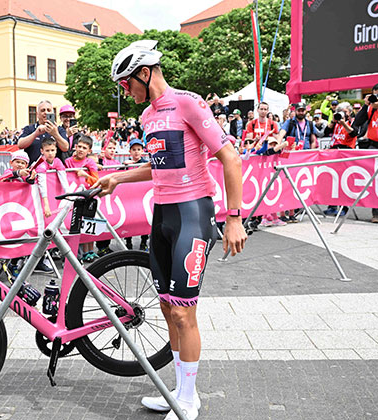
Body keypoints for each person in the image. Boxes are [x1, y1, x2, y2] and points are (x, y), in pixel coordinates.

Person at [100, 39, 247, 420]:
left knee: (184, 313)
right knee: (167, 309)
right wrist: (119, 177)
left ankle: (188, 399)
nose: (124, 90)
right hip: (162, 214)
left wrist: (234, 217)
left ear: (144, 73)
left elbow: (229, 156)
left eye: (125, 82)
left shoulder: (188, 102)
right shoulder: (149, 116)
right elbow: (158, 166)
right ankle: (180, 393)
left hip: (192, 214)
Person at [352, 82, 378, 223]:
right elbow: (356, 123)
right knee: (376, 181)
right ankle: (376, 213)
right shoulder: (370, 108)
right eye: (376, 95)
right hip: (376, 147)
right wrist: (366, 105)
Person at [65, 135, 99, 263]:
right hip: (73, 198)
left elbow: (96, 180)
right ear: (75, 147)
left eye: (84, 148)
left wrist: (85, 174)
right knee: (72, 226)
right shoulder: (68, 161)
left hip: (88, 198)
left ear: (89, 151)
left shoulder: (89, 162)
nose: (80, 150)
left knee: (86, 225)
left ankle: (87, 252)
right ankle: (73, 255)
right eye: (79, 146)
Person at [123, 138, 149, 251]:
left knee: (144, 219)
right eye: (134, 149)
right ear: (130, 151)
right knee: (129, 219)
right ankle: (128, 242)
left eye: (139, 149)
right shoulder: (126, 163)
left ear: (142, 151)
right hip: (129, 196)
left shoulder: (145, 163)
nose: (136, 152)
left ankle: (144, 241)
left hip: (142, 196)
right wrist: (124, 165)